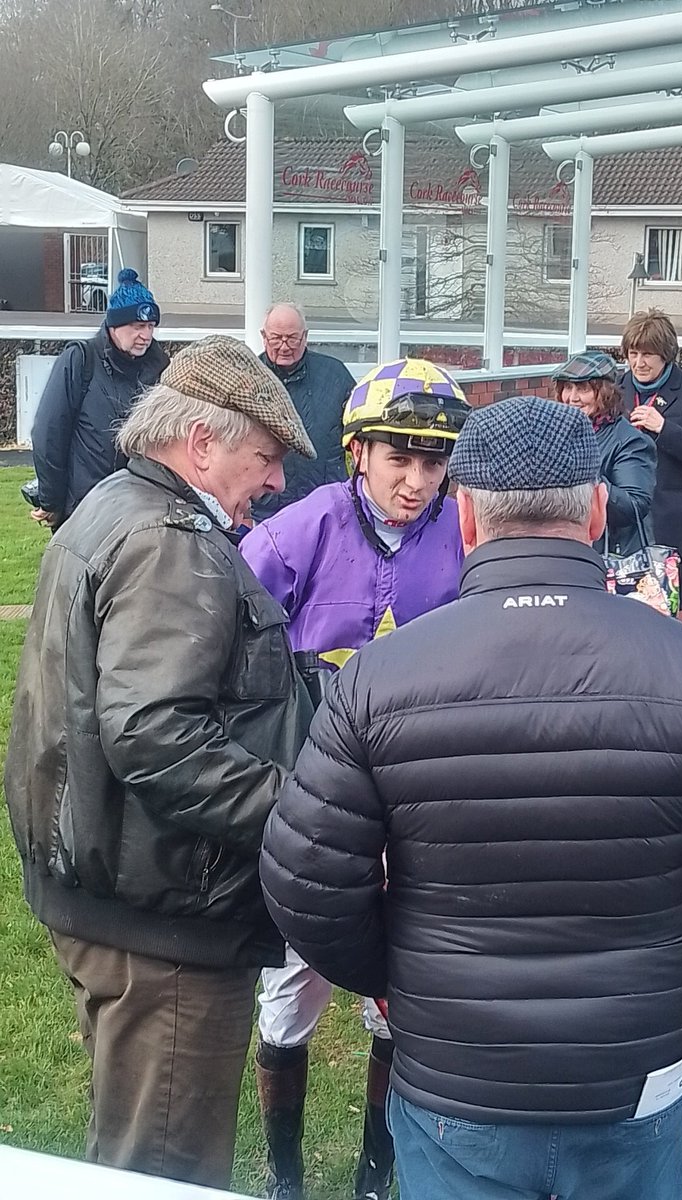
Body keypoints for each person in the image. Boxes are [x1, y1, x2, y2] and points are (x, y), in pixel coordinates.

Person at [260, 394, 682, 1200]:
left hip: (457, 1073)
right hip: (634, 1074)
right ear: (598, 511)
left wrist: (390, 973)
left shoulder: (379, 681)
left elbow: (304, 873)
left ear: (464, 519)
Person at [4, 335, 316, 1190]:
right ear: (202, 443)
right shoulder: (167, 539)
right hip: (163, 927)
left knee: (132, 1158)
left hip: (120, 900)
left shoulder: (117, 505)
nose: (277, 481)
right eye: (267, 457)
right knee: (164, 1174)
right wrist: (298, 809)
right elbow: (154, 733)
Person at [242, 357, 470, 1200]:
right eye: (396, 459)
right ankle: (285, 1173)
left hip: (418, 801)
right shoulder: (303, 527)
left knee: (396, 991)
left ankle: (378, 1171)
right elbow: (233, 633)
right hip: (318, 800)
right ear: (357, 455)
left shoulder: (461, 531)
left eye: (432, 463)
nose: (414, 482)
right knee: (292, 987)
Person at [30, 268, 169, 529]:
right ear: (114, 325)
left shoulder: (161, 368)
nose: (146, 335)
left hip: (141, 509)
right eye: (137, 326)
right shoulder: (81, 360)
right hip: (86, 510)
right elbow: (50, 431)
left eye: (150, 326)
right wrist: (51, 502)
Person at [619, 308, 682, 609]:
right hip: (621, 519)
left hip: (666, 521)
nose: (639, 363)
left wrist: (664, 428)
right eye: (633, 353)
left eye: (648, 354)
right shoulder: (615, 388)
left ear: (666, 355)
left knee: (664, 613)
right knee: (621, 612)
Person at [254, 301, 355, 519]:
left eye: (292, 338)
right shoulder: (248, 378)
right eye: (276, 338)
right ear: (264, 336)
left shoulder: (335, 375)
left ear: (305, 336)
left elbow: (359, 434)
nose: (284, 346)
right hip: (265, 508)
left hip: (326, 505)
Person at [553, 350, 655, 554]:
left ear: (604, 393)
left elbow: (634, 507)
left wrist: (586, 473)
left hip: (611, 556)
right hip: (565, 549)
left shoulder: (630, 441)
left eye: (582, 389)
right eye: (568, 387)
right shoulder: (557, 432)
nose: (572, 398)